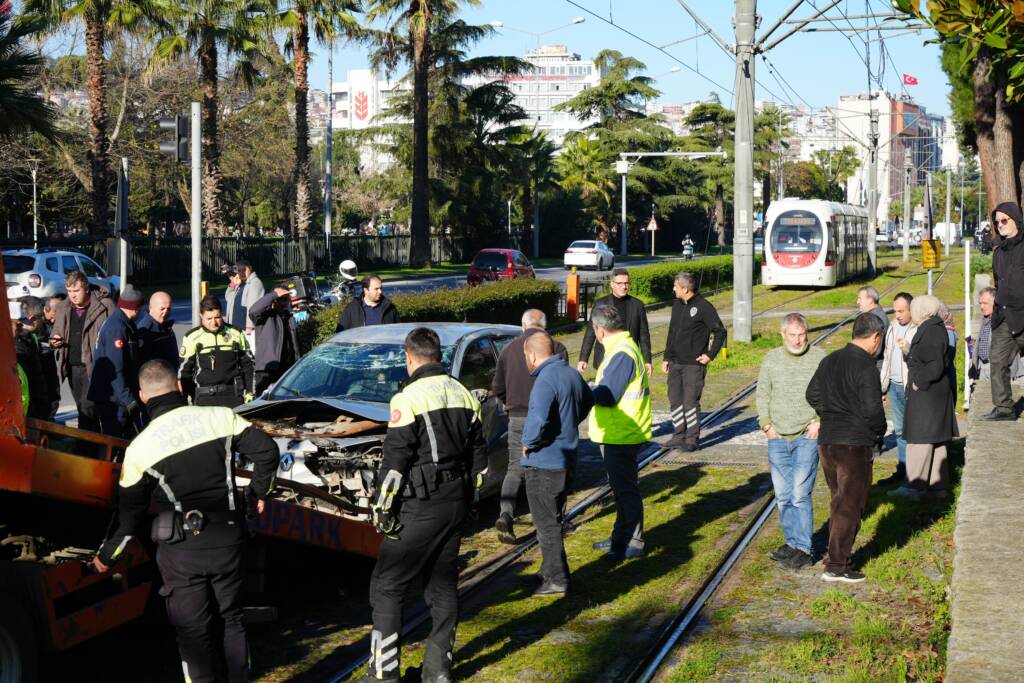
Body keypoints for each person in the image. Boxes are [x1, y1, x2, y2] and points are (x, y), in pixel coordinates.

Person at [92, 359, 279, 683]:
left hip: (181, 552)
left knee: (193, 633)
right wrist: (255, 495)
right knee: (232, 619)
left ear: (143, 396)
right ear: (179, 387)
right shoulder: (220, 417)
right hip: (229, 539)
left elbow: (130, 518)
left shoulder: (140, 449)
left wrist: (107, 557)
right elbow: (268, 452)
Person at [359, 328, 488, 683]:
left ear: (410, 357)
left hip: (420, 505)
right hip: (455, 502)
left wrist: (382, 510)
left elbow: (395, 462)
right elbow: (480, 456)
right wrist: (470, 497)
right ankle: (438, 670)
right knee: (442, 586)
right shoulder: (464, 394)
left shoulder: (408, 398)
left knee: (387, 586)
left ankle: (383, 673)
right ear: (438, 356)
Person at [806, 312, 887, 583]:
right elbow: (873, 410)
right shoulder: (865, 367)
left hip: (828, 442)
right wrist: (879, 431)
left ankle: (836, 557)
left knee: (838, 500)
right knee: (850, 505)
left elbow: (812, 393)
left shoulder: (830, 360)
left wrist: (829, 413)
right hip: (854, 444)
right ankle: (837, 565)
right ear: (876, 337)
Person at [520, 332, 593, 595]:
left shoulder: (545, 379)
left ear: (532, 355)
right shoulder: (571, 373)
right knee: (555, 517)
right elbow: (588, 400)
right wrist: (568, 423)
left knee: (546, 522)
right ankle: (548, 569)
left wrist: (529, 441)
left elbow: (537, 418)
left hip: (544, 462)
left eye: (526, 357)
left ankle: (557, 579)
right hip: (566, 457)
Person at [491, 309, 569, 545]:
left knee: (515, 468)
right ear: (543, 327)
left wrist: (510, 404)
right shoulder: (558, 348)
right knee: (551, 468)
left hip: (517, 417)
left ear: (524, 326)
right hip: (549, 418)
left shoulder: (507, 350)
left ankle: (506, 513)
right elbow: (563, 383)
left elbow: (498, 387)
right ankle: (553, 518)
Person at [755, 313, 825, 571]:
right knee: (783, 496)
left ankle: (805, 549)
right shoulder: (771, 358)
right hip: (777, 437)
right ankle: (792, 543)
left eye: (801, 334)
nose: (797, 340)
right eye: (792, 335)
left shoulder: (819, 358)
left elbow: (830, 393)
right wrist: (766, 425)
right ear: (783, 334)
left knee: (799, 493)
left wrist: (818, 422)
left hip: (807, 435)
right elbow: (763, 393)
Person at [588, 305, 653, 560]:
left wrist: (586, 390)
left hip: (621, 433)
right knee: (622, 489)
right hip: (620, 431)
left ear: (600, 330)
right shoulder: (622, 348)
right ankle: (620, 538)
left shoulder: (621, 353)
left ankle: (633, 541)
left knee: (625, 490)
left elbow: (608, 395)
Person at [890, 296, 957, 499]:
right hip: (934, 396)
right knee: (935, 441)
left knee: (919, 440)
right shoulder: (934, 327)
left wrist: (919, 381)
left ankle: (914, 486)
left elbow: (934, 365)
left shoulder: (931, 330)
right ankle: (938, 486)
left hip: (927, 396)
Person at [663, 272, 725, 451]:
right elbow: (672, 332)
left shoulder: (704, 307)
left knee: (690, 402)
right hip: (675, 363)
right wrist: (667, 357)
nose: (673, 288)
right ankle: (678, 435)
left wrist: (710, 354)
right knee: (675, 400)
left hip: (693, 365)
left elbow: (720, 331)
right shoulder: (676, 305)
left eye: (675, 286)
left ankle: (692, 439)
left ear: (684, 289)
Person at [50, 271, 115, 433]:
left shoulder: (105, 305)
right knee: (82, 407)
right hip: (72, 366)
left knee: (87, 407)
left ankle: (87, 448)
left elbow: (115, 331)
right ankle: (93, 442)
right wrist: (55, 339)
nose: (72, 295)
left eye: (76, 291)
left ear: (86, 289)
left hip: (94, 364)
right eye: (69, 291)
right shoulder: (63, 308)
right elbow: (56, 330)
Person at [984, 201, 1024, 420]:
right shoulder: (998, 252)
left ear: (1016, 220)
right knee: (997, 360)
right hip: (1005, 316)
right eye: (997, 222)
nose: (1000, 225)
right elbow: (999, 283)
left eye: (1004, 220)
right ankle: (1003, 408)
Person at [88, 285, 144, 438]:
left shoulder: (124, 323)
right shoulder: (117, 328)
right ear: (135, 308)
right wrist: (128, 400)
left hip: (117, 397)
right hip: (113, 400)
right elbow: (116, 369)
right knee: (114, 442)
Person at [179, 296, 255, 408]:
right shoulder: (192, 337)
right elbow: (184, 372)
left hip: (233, 395)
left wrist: (250, 392)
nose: (214, 323)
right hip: (204, 398)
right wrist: (186, 397)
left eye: (218, 317)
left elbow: (248, 365)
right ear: (201, 316)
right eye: (209, 319)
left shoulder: (235, 333)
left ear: (222, 313)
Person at [578, 268, 652, 378]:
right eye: (620, 283)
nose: (624, 286)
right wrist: (583, 358)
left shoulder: (637, 305)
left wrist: (647, 360)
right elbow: (591, 332)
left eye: (626, 283)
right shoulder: (600, 303)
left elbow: (644, 335)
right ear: (612, 284)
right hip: (605, 358)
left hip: (628, 358)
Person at [878, 292, 915, 484]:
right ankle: (902, 469)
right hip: (893, 386)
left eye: (901, 311)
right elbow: (886, 357)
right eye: (895, 311)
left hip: (910, 387)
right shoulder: (892, 328)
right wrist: (883, 386)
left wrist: (908, 349)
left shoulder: (917, 329)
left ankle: (914, 472)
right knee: (899, 430)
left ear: (911, 309)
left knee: (912, 430)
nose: (897, 315)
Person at [249, 286, 300, 394]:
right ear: (273, 300)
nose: (283, 303)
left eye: (286, 299)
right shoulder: (265, 316)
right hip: (268, 370)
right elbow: (253, 311)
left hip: (288, 369)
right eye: (280, 299)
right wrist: (274, 294)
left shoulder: (289, 317)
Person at [969, 287, 1023, 385]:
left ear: (995, 303)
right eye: (980, 303)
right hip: (983, 369)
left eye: (985, 303)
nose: (981, 307)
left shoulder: (1005, 321)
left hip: (1001, 369)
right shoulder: (985, 320)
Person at [20, 295, 60, 418]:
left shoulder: (38, 334)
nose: (44, 320)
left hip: (42, 404)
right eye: (41, 317)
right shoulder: (21, 343)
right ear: (32, 319)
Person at [10, 318, 48, 420]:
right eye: (17, 324)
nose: (20, 326)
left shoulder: (26, 340)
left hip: (30, 405)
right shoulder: (12, 346)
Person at [335, 274, 400, 333]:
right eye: (376, 289)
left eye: (380, 288)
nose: (380, 291)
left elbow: (399, 331)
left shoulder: (389, 307)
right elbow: (340, 334)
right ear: (366, 290)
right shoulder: (352, 308)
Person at [137, 291, 178, 369]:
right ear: (151, 308)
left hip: (170, 376)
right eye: (162, 309)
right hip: (155, 379)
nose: (165, 312)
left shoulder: (167, 327)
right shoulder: (145, 330)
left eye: (168, 309)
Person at [856, 286, 888, 367]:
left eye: (860, 298)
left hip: (873, 366)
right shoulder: (875, 315)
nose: (857, 302)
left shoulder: (875, 319)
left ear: (870, 300)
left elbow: (873, 350)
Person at [237, 258, 265, 349]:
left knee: (251, 353)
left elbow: (252, 307)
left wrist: (249, 327)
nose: (242, 272)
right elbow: (228, 298)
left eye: (244, 269)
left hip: (249, 330)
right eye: (239, 270)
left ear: (250, 268)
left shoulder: (254, 283)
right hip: (240, 328)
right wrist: (232, 285)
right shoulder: (242, 284)